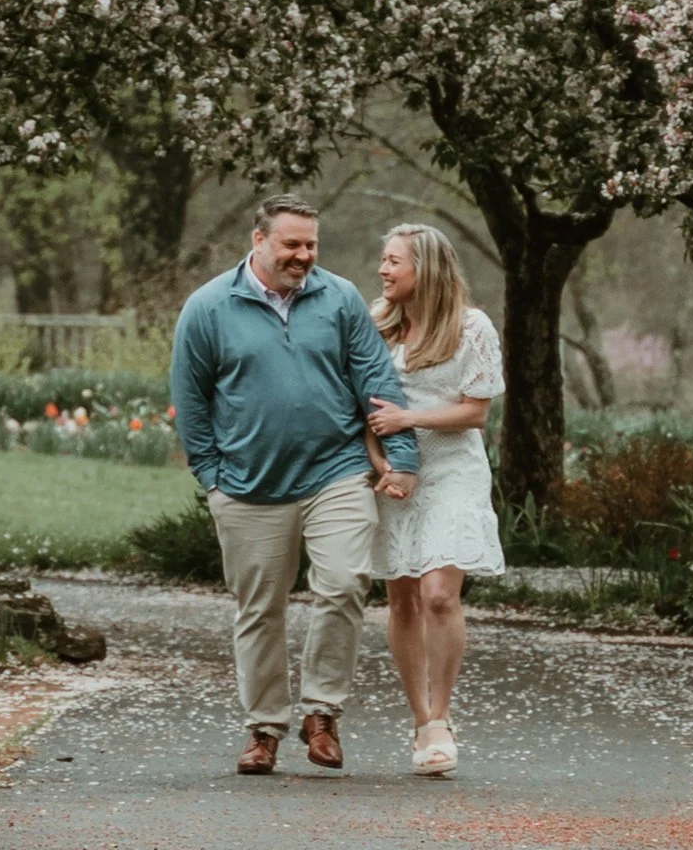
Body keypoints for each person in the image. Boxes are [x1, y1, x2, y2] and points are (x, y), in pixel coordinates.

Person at [170, 195, 420, 775]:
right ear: (258, 241)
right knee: (260, 609)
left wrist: (401, 458)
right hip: (247, 485)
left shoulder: (339, 298)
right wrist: (212, 479)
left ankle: (321, 713)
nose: (303, 256)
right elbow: (191, 401)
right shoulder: (208, 308)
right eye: (292, 245)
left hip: (334, 471)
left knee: (345, 581)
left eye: (311, 245)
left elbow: (376, 380)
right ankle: (263, 729)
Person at [365, 222, 504, 777]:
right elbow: (360, 410)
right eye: (384, 259)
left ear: (425, 269)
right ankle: (421, 720)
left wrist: (410, 419)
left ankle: (443, 717)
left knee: (439, 595)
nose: (383, 270)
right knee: (401, 599)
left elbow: (476, 412)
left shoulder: (472, 328)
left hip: (451, 473)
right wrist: (387, 466)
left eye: (395, 261)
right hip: (395, 473)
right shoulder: (376, 327)